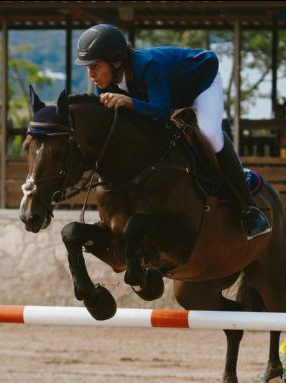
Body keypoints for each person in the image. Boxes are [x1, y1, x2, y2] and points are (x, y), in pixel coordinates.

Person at [75, 24, 271, 240]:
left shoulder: (149, 66)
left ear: (117, 61)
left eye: (95, 65)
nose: (91, 74)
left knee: (210, 135)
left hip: (200, 83)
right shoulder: (106, 82)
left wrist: (129, 101)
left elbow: (161, 113)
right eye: (87, 67)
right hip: (169, 94)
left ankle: (250, 209)